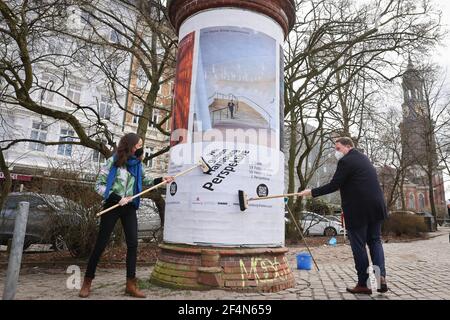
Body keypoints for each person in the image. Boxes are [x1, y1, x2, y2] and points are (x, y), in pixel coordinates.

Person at [79, 133, 174, 298]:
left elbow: (146, 180)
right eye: (138, 145)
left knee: (132, 244)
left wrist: (162, 179)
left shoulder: (137, 165)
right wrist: (117, 198)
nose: (140, 149)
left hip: (129, 207)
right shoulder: (113, 162)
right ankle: (87, 282)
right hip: (112, 205)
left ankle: (131, 284)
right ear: (130, 145)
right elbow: (99, 185)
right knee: (101, 244)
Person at [298, 137, 388, 295]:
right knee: (375, 241)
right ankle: (381, 278)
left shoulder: (346, 162)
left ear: (348, 146)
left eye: (338, 148)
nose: (336, 152)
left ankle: (363, 284)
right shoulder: (364, 159)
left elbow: (334, 185)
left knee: (358, 245)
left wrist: (311, 192)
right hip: (377, 206)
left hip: (359, 209)